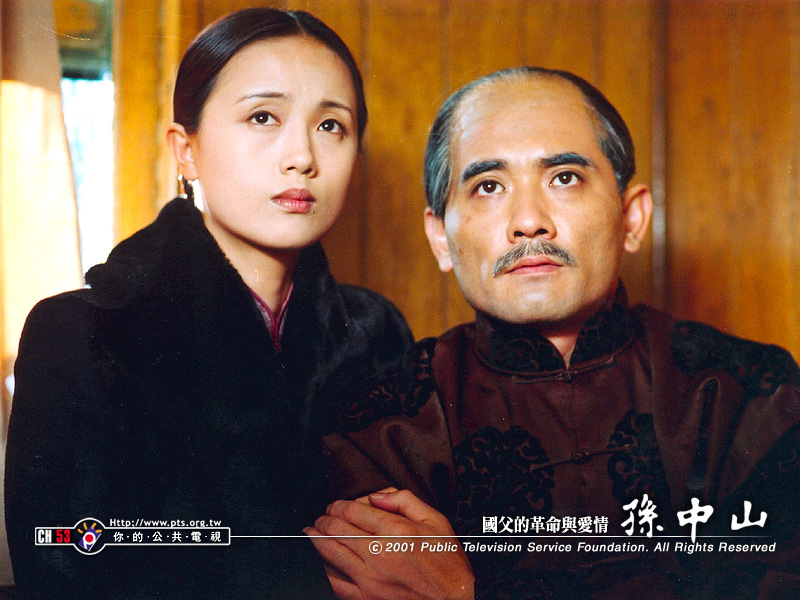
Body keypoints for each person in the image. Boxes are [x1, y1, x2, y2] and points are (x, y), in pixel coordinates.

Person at [307, 67, 800, 599]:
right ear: (441, 238)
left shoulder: (749, 393)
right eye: (488, 186)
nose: (528, 220)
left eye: (564, 177)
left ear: (632, 218)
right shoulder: (380, 427)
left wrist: (467, 594)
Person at [5, 8, 412, 599]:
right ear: (186, 150)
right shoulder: (80, 331)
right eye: (263, 117)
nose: (302, 156)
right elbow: (64, 557)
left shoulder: (376, 331)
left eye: (332, 126)